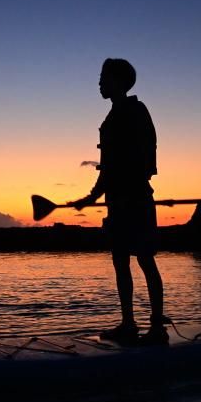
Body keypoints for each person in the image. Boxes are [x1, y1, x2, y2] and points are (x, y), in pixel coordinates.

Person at [70, 58, 167, 346]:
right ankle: (128, 324)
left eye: (104, 77)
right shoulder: (110, 119)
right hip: (117, 202)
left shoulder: (136, 111)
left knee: (146, 260)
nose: (99, 83)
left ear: (119, 81)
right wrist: (92, 197)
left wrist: (124, 188)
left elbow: (144, 156)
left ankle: (157, 329)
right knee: (120, 261)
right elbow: (108, 167)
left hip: (136, 199)